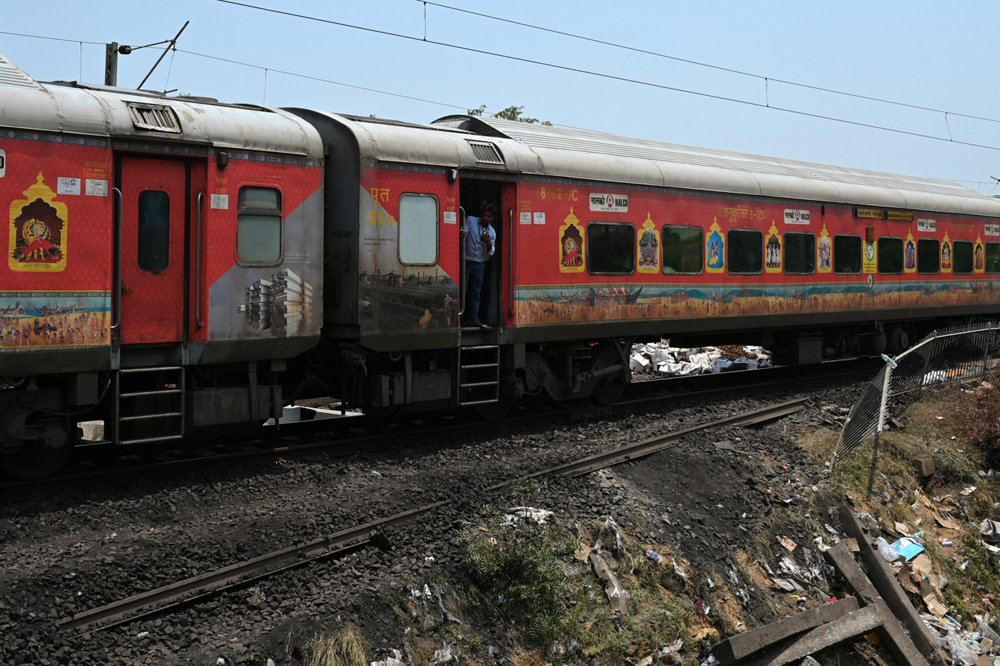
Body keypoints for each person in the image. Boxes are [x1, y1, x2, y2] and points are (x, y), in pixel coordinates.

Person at [461, 202, 497, 328]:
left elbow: (491, 252)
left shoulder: (491, 232)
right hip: (466, 260)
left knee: (476, 293)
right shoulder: (470, 220)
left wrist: (488, 243)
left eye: (488, 216)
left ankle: (474, 319)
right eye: (484, 215)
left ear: (492, 218)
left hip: (479, 264)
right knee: (462, 291)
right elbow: (462, 234)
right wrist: (462, 236)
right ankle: (459, 319)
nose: (485, 218)